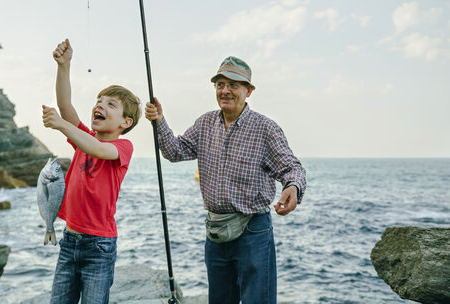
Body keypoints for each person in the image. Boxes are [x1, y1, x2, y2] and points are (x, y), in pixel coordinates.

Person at [145, 56, 306, 304]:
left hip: (253, 230)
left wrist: (293, 187)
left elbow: (291, 167)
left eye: (233, 85)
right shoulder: (205, 123)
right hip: (216, 233)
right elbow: (175, 151)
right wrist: (159, 122)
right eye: (220, 84)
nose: (225, 91)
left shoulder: (266, 128)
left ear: (248, 91)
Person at [42, 39, 141, 304]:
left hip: (99, 246)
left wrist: (62, 126)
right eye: (99, 100)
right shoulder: (83, 137)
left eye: (111, 104)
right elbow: (65, 106)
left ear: (125, 122)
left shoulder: (123, 146)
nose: (100, 105)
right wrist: (64, 66)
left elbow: (98, 149)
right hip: (69, 240)